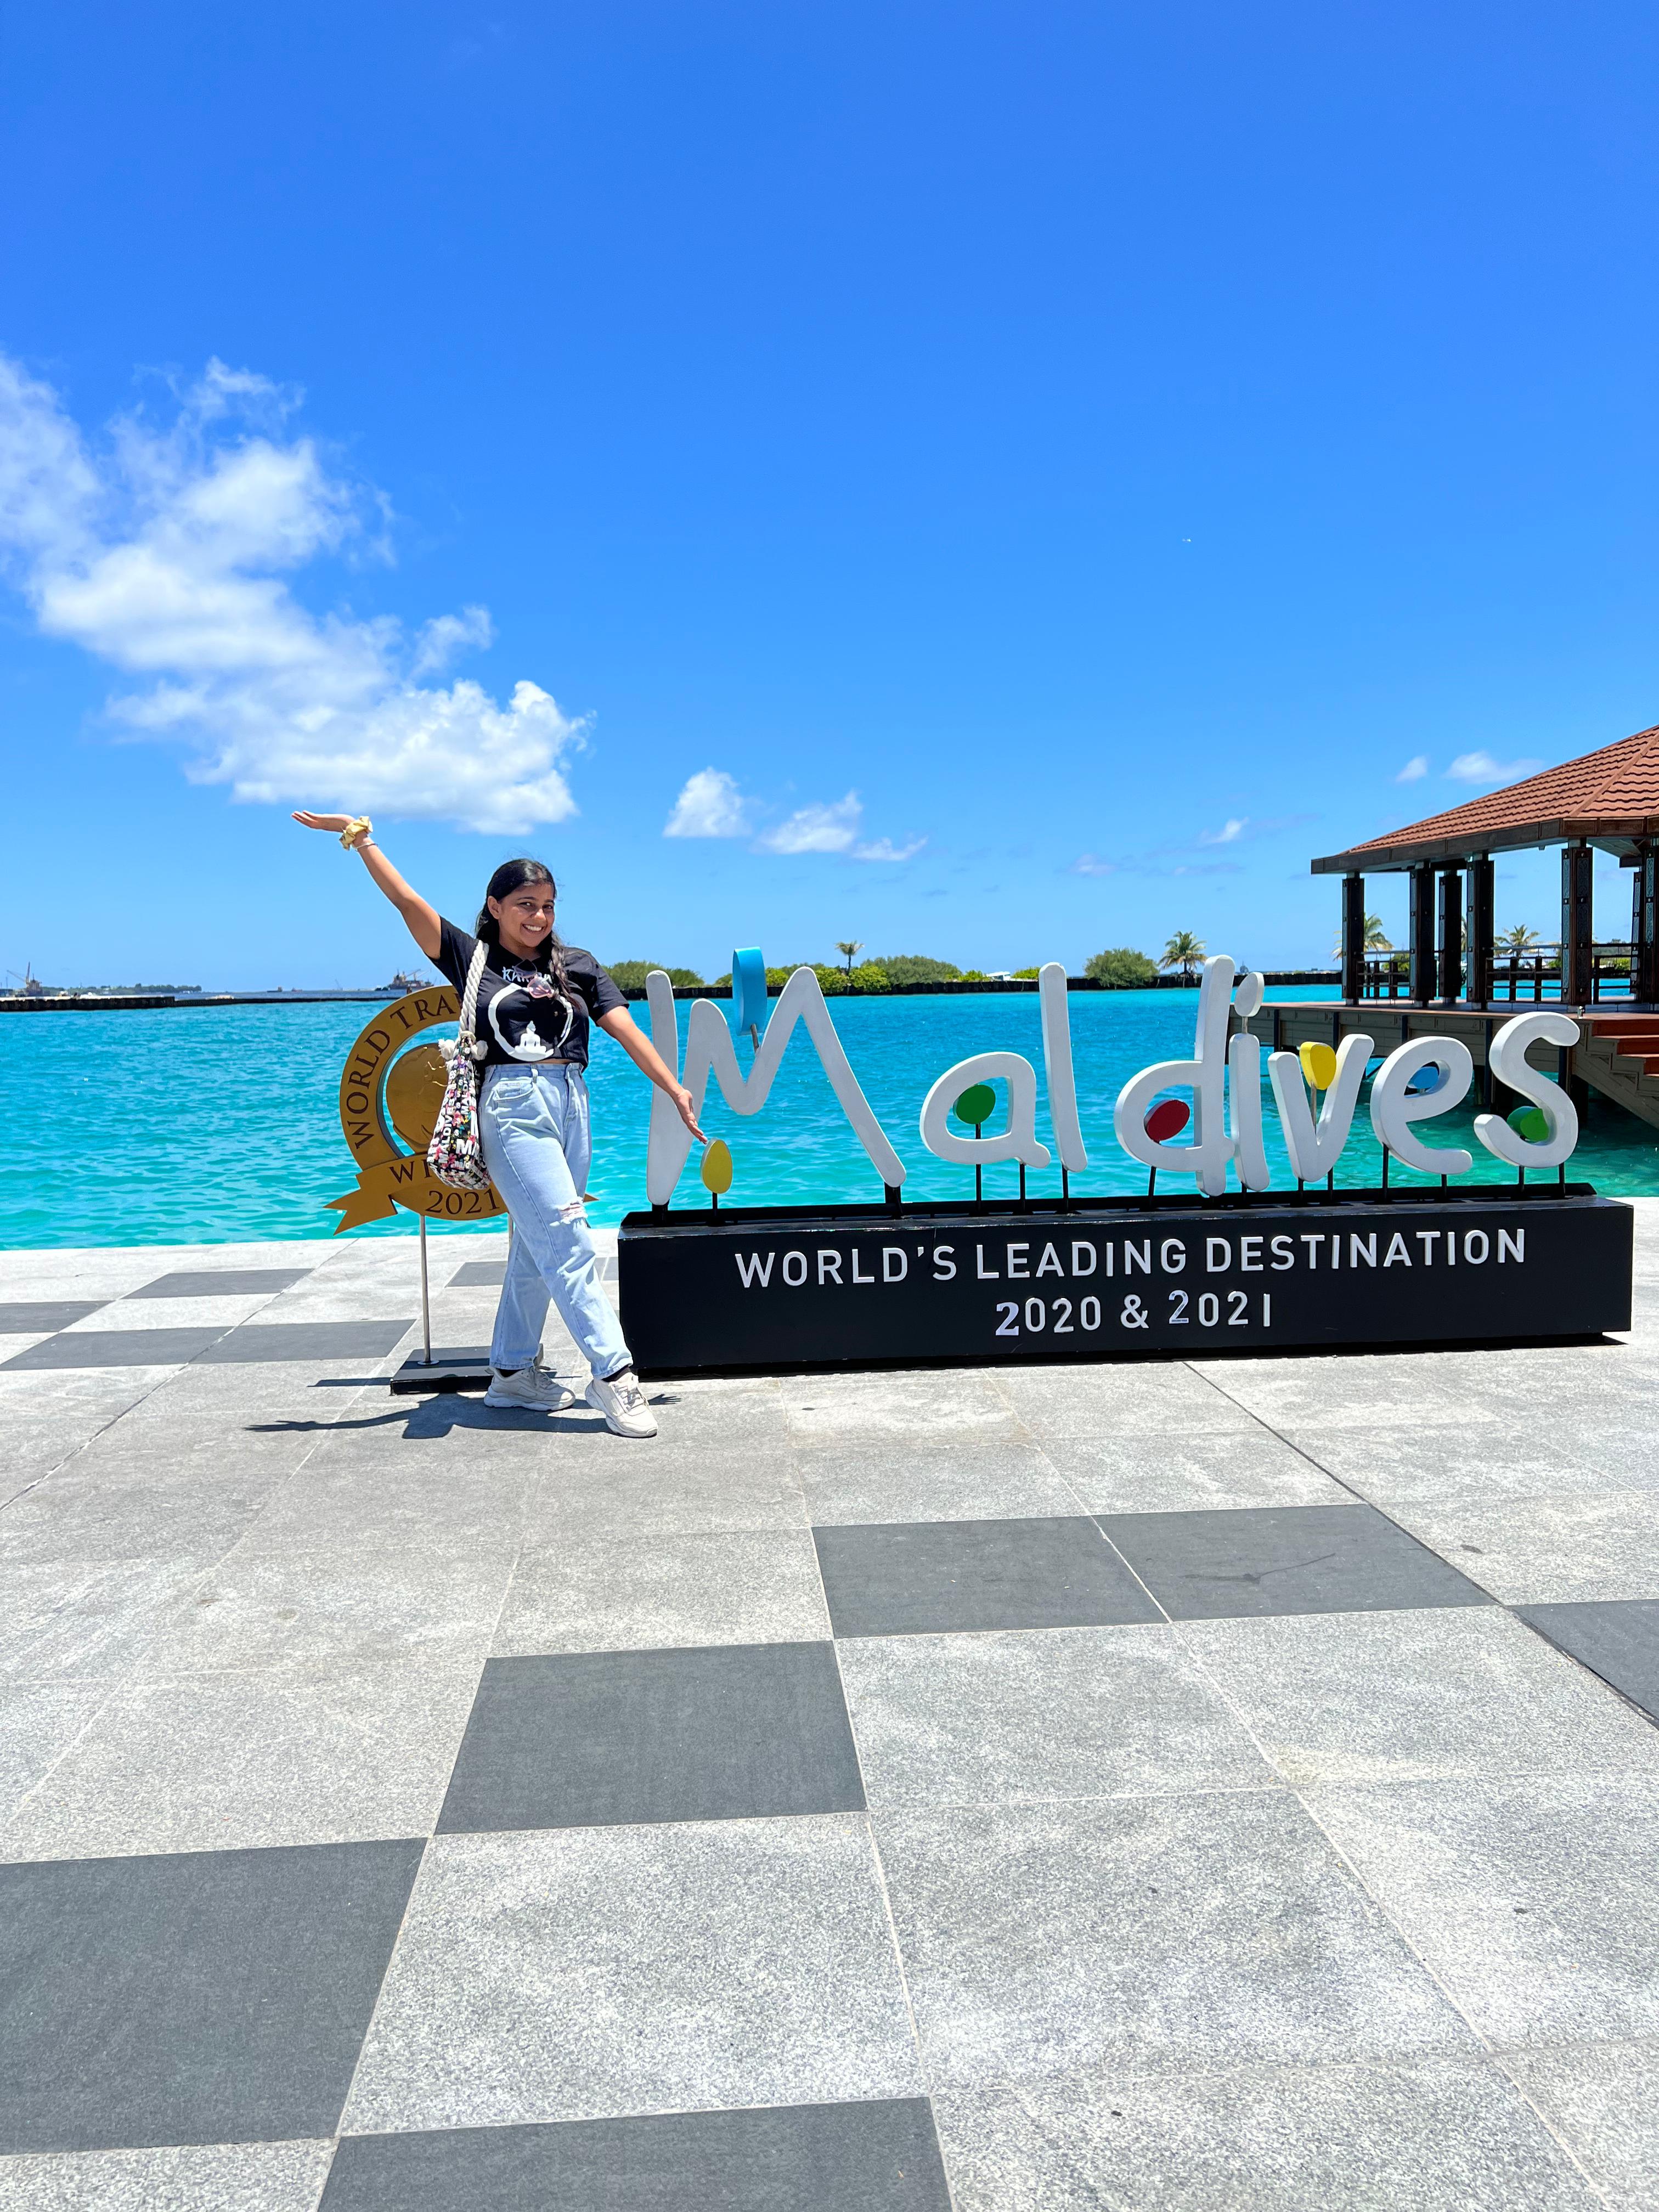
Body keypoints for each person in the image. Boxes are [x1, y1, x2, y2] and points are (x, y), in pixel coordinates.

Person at [292, 811, 704, 1437]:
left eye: (548, 906)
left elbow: (624, 1028)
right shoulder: (473, 957)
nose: (538, 917)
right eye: (525, 905)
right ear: (495, 906)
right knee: (567, 1239)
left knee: (537, 1244)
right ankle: (614, 1374)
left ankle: (512, 1374)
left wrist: (673, 1087)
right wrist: (361, 839)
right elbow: (408, 903)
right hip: (512, 1108)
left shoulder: (577, 965)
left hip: (572, 1104)